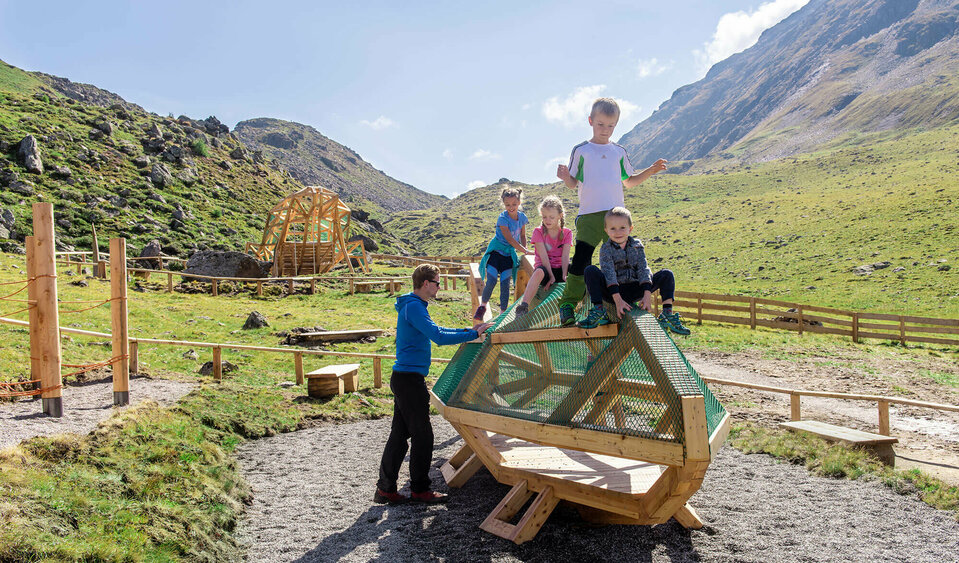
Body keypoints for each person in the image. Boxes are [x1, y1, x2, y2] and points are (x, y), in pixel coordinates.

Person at [375, 264, 492, 504]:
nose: (439, 287)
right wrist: (472, 334)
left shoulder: (412, 306)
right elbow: (437, 335)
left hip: (404, 377)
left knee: (399, 434)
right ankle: (420, 489)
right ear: (426, 283)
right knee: (423, 436)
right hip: (409, 381)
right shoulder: (414, 307)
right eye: (437, 283)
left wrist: (468, 332)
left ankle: (385, 489)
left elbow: (436, 331)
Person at [555, 97, 668, 326]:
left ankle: (626, 300)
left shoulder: (619, 151)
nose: (605, 130)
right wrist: (566, 177)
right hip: (588, 216)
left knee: (624, 259)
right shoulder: (582, 150)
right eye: (600, 124)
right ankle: (568, 304)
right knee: (582, 261)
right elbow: (573, 183)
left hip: (616, 216)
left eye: (610, 125)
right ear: (590, 121)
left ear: (616, 125)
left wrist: (651, 170)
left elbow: (630, 181)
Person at [577, 207, 691, 335]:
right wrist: (618, 300)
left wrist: (647, 294)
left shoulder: (637, 245)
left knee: (667, 274)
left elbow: (643, 268)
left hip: (636, 288)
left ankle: (667, 313)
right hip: (613, 290)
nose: (618, 232)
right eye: (613, 228)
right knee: (590, 270)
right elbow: (609, 273)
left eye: (622, 227)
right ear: (606, 231)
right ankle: (598, 310)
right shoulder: (606, 248)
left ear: (630, 228)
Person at [473, 186, 529, 320]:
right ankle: (483, 306)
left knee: (505, 285)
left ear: (519, 203)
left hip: (508, 256)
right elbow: (509, 239)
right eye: (507, 204)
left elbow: (523, 235)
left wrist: (525, 251)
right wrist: (525, 250)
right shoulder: (502, 218)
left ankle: (502, 314)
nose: (511, 207)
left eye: (514, 204)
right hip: (496, 254)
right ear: (504, 204)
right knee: (491, 281)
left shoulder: (522, 218)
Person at [514, 195, 572, 317]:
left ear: (560, 216)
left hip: (561, 269)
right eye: (545, 217)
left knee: (578, 270)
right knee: (539, 272)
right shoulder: (538, 232)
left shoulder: (567, 233)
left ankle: (584, 306)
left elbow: (565, 256)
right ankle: (523, 306)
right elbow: (544, 257)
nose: (548, 220)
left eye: (551, 217)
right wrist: (551, 276)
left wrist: (564, 275)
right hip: (545, 270)